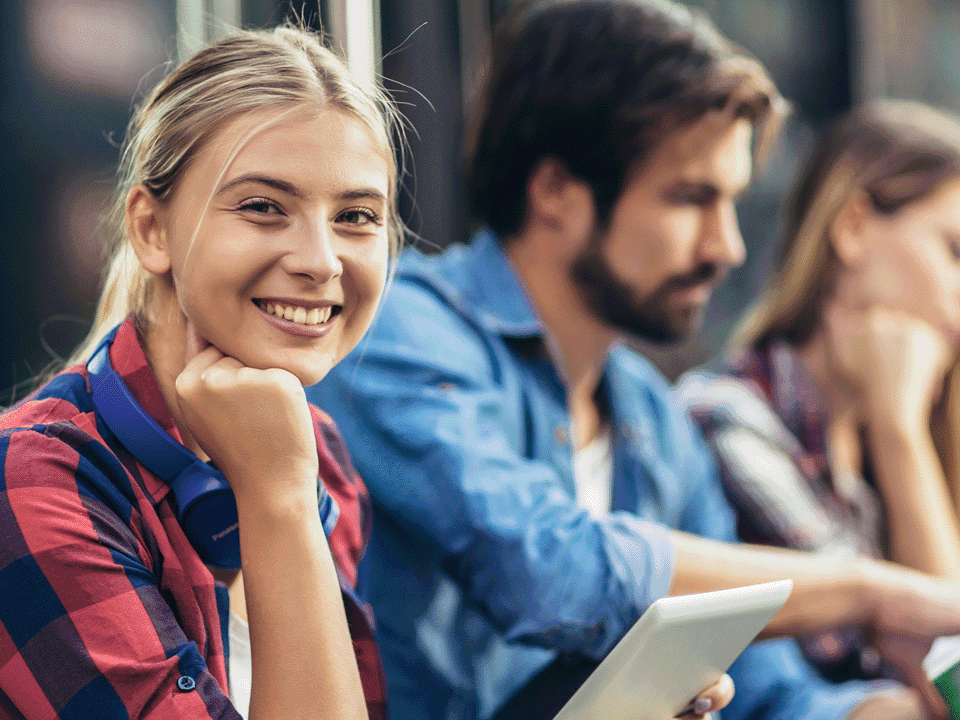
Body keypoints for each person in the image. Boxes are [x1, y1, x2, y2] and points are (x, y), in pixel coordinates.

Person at [309, 2, 960, 720]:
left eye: (732, 203)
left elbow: (770, 691)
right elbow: (550, 571)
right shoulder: (399, 332)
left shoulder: (652, 415)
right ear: (556, 189)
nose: (727, 247)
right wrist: (867, 591)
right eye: (690, 199)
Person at [0, 25, 401, 719]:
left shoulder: (319, 453)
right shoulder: (33, 478)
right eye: (263, 207)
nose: (321, 261)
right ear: (152, 230)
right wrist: (278, 500)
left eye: (357, 216)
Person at [679, 99, 960, 684]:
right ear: (853, 227)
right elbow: (943, 665)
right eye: (956, 252)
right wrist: (899, 431)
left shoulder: (892, 429)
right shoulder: (729, 422)